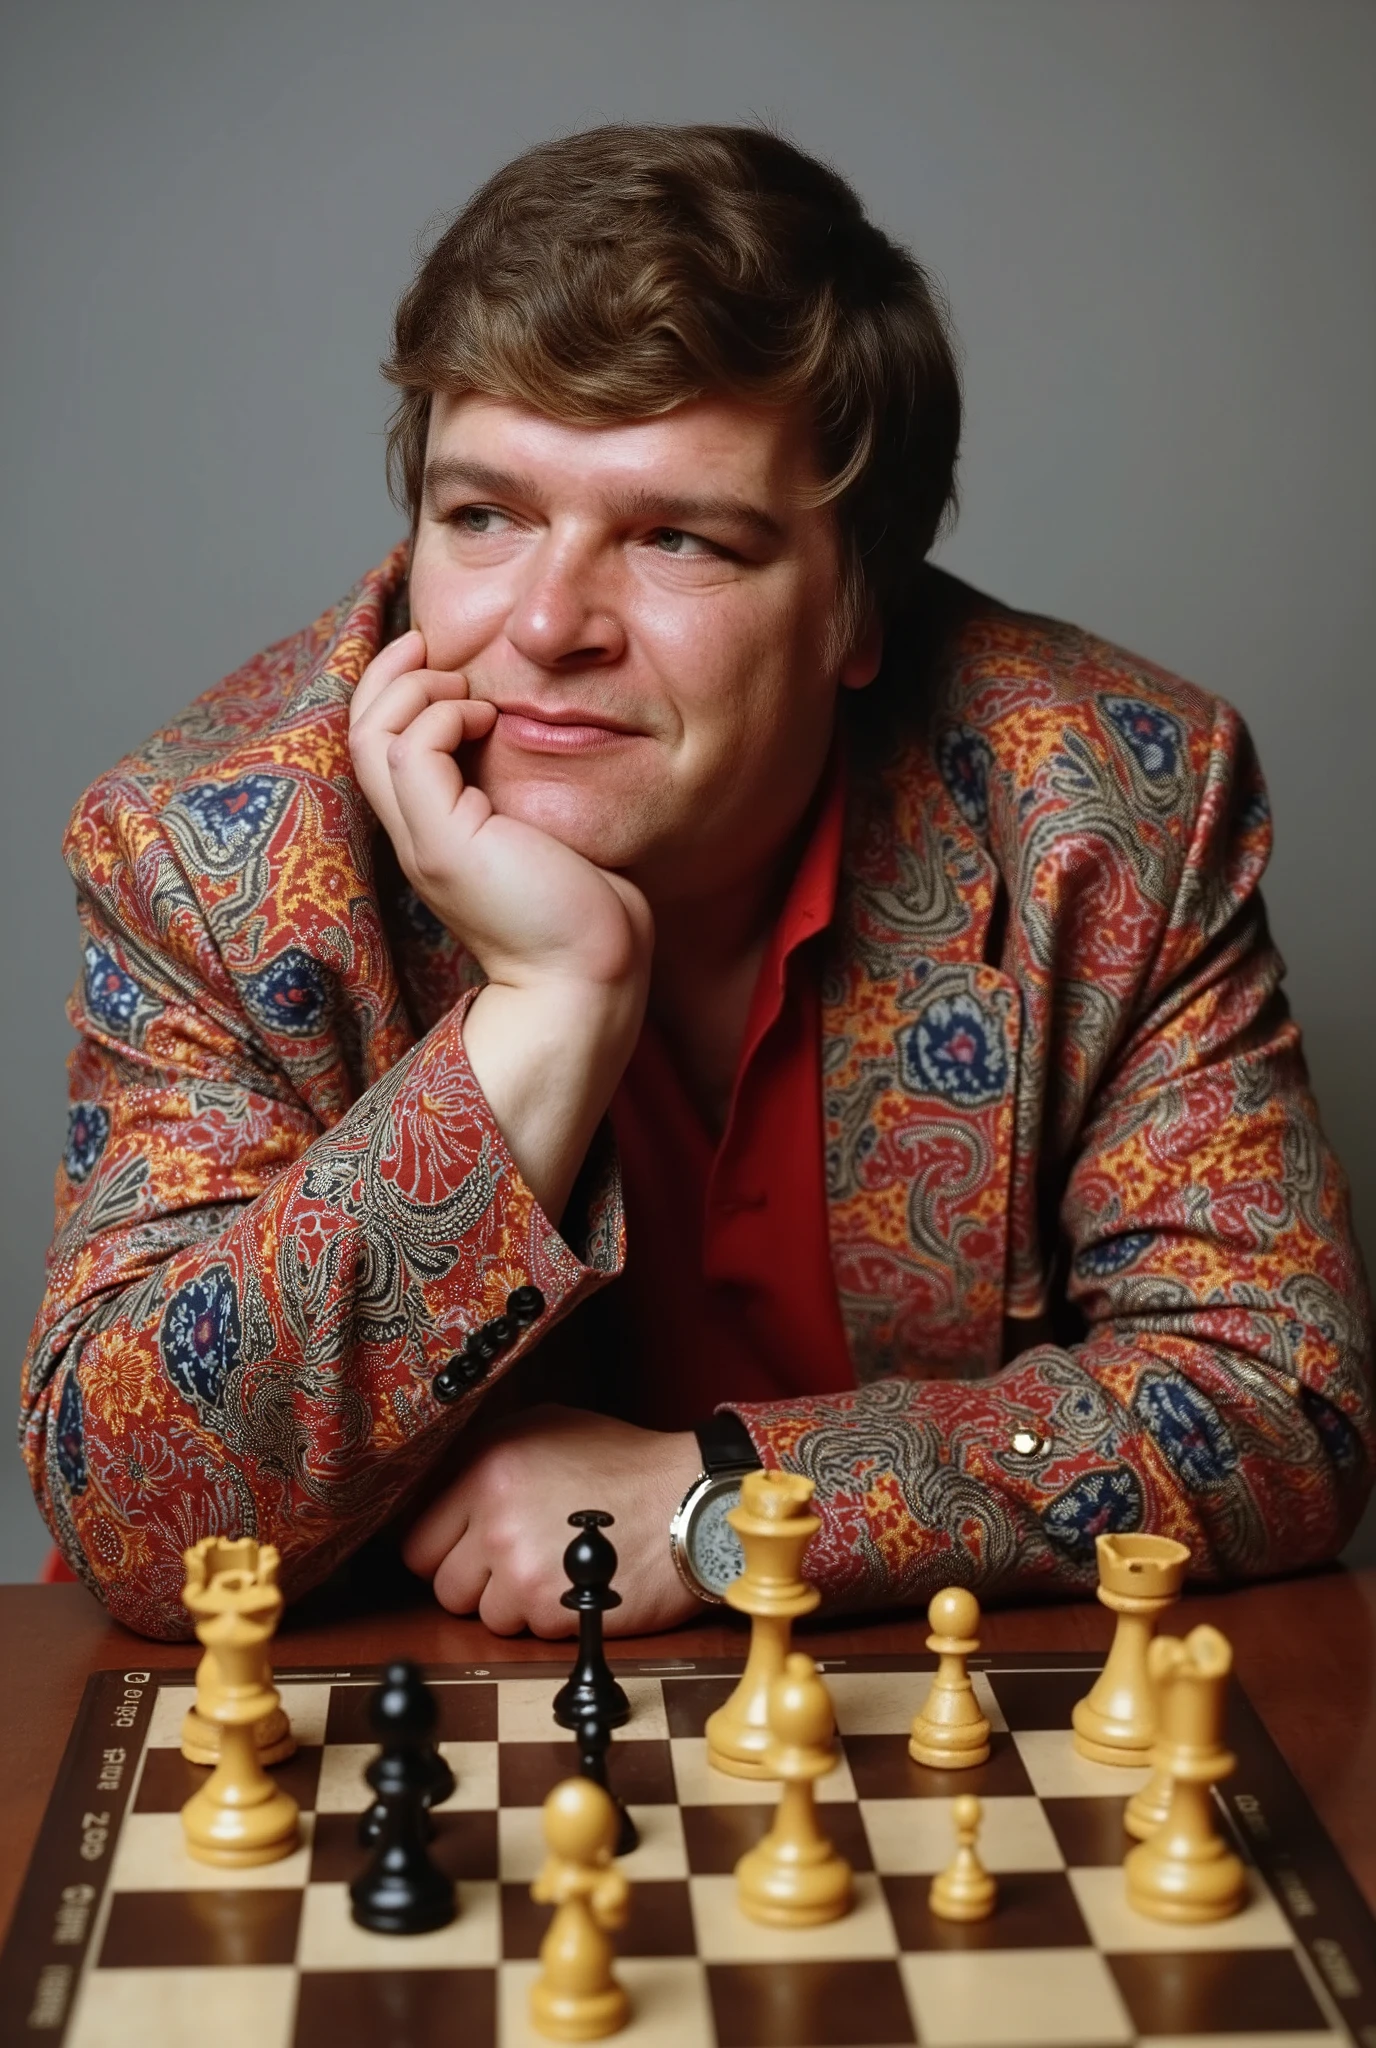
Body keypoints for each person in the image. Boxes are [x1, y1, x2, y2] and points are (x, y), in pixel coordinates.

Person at [22, 124, 1372, 1643]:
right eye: (485, 515)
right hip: (343, 1774)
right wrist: (545, 1012)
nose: (545, 625)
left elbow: (1281, 1400)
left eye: (678, 537)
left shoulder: (1110, 816)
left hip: (889, 1765)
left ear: (861, 607)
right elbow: (139, 1507)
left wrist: (719, 1502)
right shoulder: (210, 847)